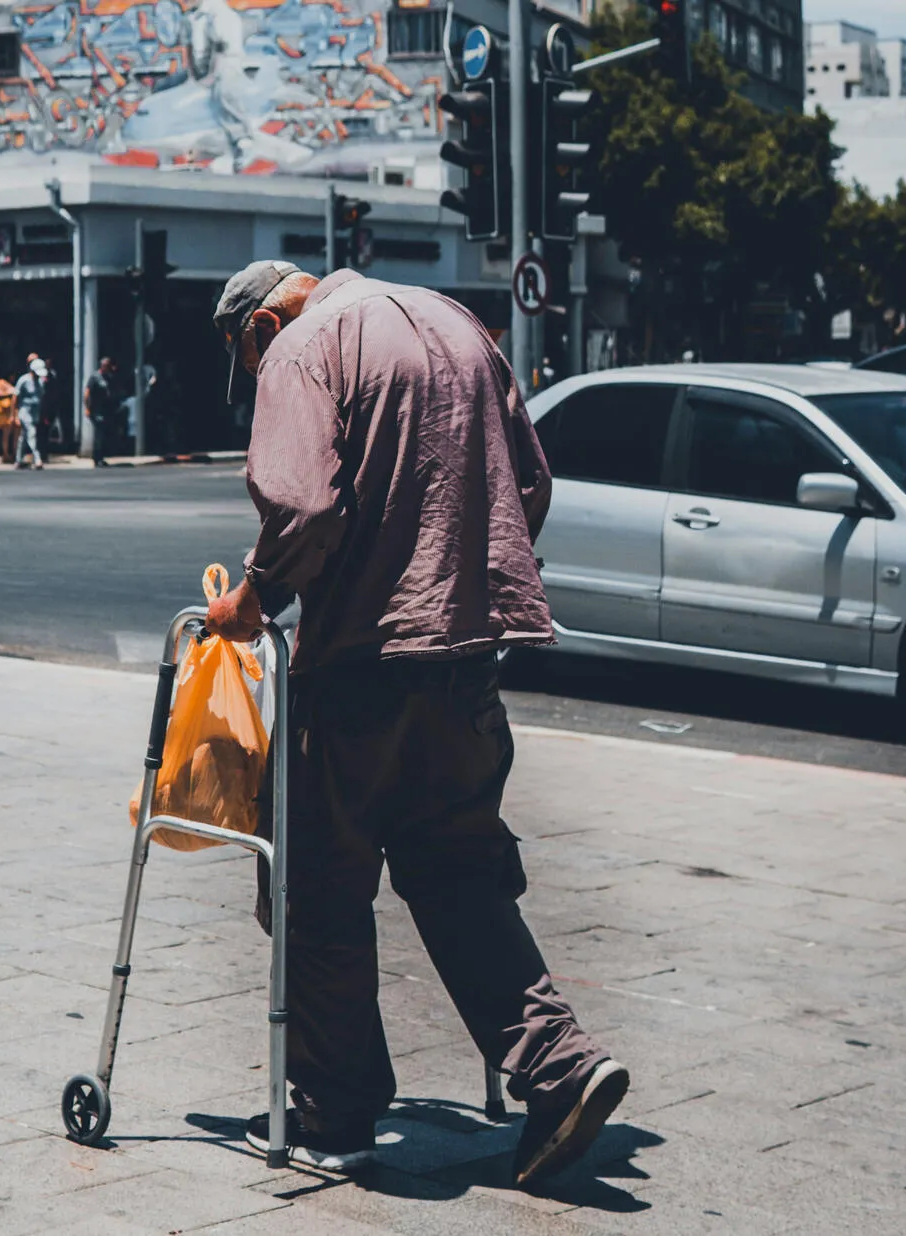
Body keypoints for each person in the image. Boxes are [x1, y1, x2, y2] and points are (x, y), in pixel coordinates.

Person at [204, 261, 629, 1183]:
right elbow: (530, 484)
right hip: (470, 659)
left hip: (363, 664)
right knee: (458, 872)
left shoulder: (302, 349)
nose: (252, 376)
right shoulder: (453, 321)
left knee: (315, 883)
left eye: (245, 358)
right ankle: (561, 1069)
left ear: (260, 327)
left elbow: (303, 504)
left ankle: (336, 1110)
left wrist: (257, 595)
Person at [84, 357, 121, 467]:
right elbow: (87, 393)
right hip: (96, 410)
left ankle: (101, 456)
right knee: (98, 434)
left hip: (106, 410)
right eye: (106, 366)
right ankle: (97, 457)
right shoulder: (95, 377)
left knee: (104, 433)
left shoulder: (109, 377)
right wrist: (87, 408)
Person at [13, 356, 48, 470]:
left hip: (35, 413)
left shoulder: (41, 382)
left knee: (24, 437)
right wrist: (14, 415)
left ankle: (18, 460)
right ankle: (38, 459)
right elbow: (15, 397)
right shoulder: (23, 380)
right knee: (32, 434)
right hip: (25, 412)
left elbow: (41, 398)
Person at [0, 373, 18, 464]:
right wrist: (11, 392)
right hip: (5, 412)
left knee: (16, 435)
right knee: (6, 435)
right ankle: (5, 454)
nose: (13, 377)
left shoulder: (15, 384)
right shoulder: (0, 382)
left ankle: (15, 454)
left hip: (14, 412)